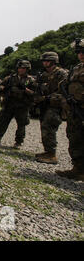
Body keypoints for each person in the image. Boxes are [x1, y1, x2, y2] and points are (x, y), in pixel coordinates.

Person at [0, 60, 36, 149]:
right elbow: (1, 87)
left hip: (22, 105)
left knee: (21, 124)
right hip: (9, 103)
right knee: (1, 122)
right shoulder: (10, 78)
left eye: (23, 68)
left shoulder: (31, 80)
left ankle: (18, 142)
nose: (21, 70)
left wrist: (25, 89)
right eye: (20, 68)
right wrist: (3, 91)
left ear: (27, 69)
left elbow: (34, 94)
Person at [56, 40, 84, 181]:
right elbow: (64, 85)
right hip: (75, 110)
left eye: (83, 52)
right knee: (74, 138)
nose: (81, 55)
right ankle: (78, 169)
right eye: (78, 52)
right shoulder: (76, 69)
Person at [34, 52, 68, 164]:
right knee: (44, 127)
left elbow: (65, 92)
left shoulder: (61, 74)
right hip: (45, 106)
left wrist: (47, 98)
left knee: (49, 127)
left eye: (47, 61)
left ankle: (51, 154)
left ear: (54, 61)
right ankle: (48, 151)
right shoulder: (43, 75)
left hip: (56, 106)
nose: (45, 63)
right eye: (44, 61)